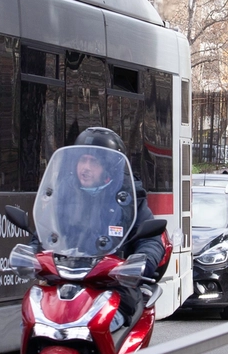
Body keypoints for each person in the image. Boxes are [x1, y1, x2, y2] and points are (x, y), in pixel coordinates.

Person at [64, 127, 164, 327]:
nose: (86, 167)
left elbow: (151, 239)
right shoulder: (62, 195)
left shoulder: (130, 199)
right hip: (67, 283)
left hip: (113, 288)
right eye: (82, 160)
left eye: (94, 162)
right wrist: (32, 251)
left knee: (102, 327)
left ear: (109, 167)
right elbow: (44, 234)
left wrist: (141, 263)